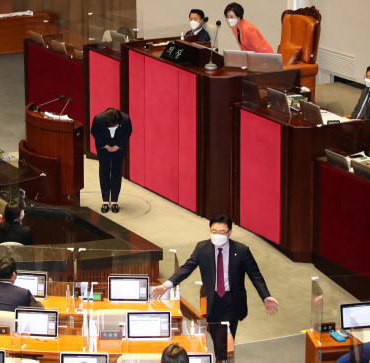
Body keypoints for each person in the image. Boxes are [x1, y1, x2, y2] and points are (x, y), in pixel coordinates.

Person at [151, 214, 279, 363]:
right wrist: (167, 285)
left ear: (230, 233)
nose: (217, 235)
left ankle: (223, 358)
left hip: (232, 301)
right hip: (213, 301)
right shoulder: (202, 248)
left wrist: (266, 296)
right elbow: (187, 268)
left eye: (222, 232)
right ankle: (225, 357)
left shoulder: (242, 250)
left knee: (224, 344)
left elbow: (255, 275)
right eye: (214, 231)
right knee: (220, 341)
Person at [90, 107, 132, 214]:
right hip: (104, 147)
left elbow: (128, 133)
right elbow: (94, 132)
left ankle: (114, 201)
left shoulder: (126, 119)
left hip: (119, 148)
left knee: (116, 172)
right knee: (104, 171)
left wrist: (118, 146)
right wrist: (105, 145)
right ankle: (105, 200)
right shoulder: (98, 119)